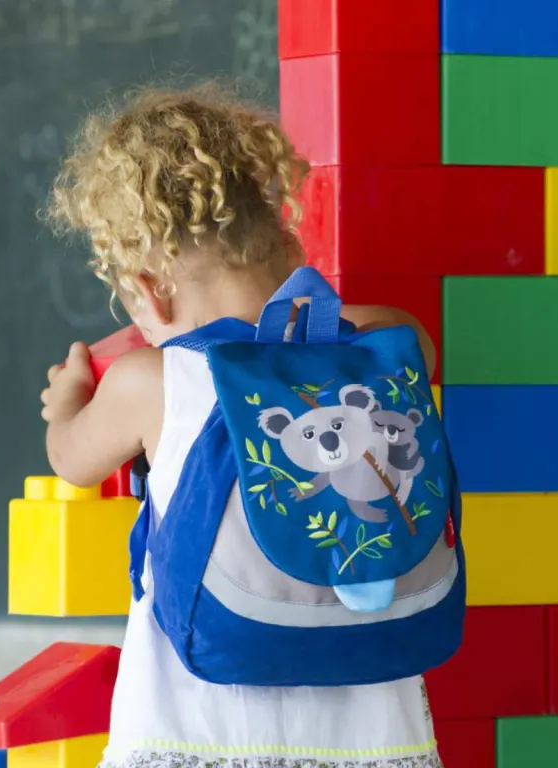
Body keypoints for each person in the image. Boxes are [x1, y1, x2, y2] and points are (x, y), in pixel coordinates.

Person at [40, 82, 443, 768]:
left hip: (199, 729)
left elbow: (73, 461)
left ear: (151, 288)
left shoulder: (152, 381)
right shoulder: (389, 340)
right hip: (377, 731)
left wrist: (69, 400)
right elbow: (412, 344)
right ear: (286, 243)